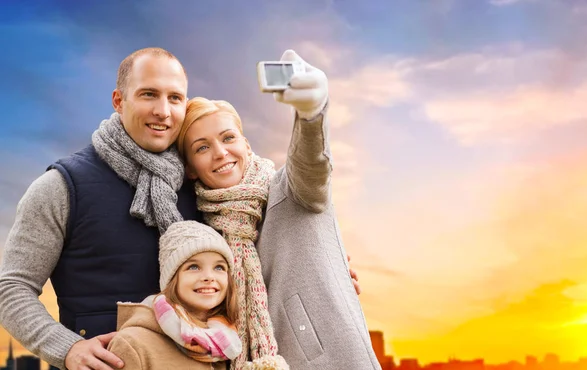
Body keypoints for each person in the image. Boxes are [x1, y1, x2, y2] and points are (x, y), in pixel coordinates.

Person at [178, 50, 381, 369]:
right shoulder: (204, 240)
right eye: (202, 147)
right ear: (190, 168)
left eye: (228, 137)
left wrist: (311, 112)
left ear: (245, 144)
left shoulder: (291, 190)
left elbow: (311, 163)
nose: (220, 153)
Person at [0, 47, 200, 370]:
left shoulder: (200, 182)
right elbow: (11, 288)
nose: (163, 111)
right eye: (149, 94)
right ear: (119, 101)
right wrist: (69, 348)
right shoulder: (62, 186)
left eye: (175, 98)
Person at [107, 220, 243, 369]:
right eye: (193, 266)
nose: (209, 277)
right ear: (171, 279)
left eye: (219, 267)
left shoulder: (228, 343)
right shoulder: (133, 343)